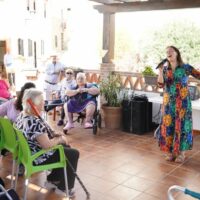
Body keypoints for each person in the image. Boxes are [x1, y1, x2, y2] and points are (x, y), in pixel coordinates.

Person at [15, 88, 79, 197]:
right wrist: (59, 139)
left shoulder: (22, 115)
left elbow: (40, 135)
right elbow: (46, 145)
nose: (44, 103)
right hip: (38, 157)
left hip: (30, 153)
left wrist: (53, 134)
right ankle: (64, 188)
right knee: (73, 153)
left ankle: (53, 180)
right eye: (42, 101)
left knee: (65, 147)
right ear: (34, 103)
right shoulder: (34, 121)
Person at [157, 45, 200, 163]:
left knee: (182, 126)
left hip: (183, 102)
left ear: (177, 53)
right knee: (168, 126)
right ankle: (170, 153)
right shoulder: (165, 69)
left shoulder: (186, 68)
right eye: (167, 52)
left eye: (171, 51)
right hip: (168, 103)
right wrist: (160, 71)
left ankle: (182, 154)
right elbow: (160, 85)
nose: (168, 53)